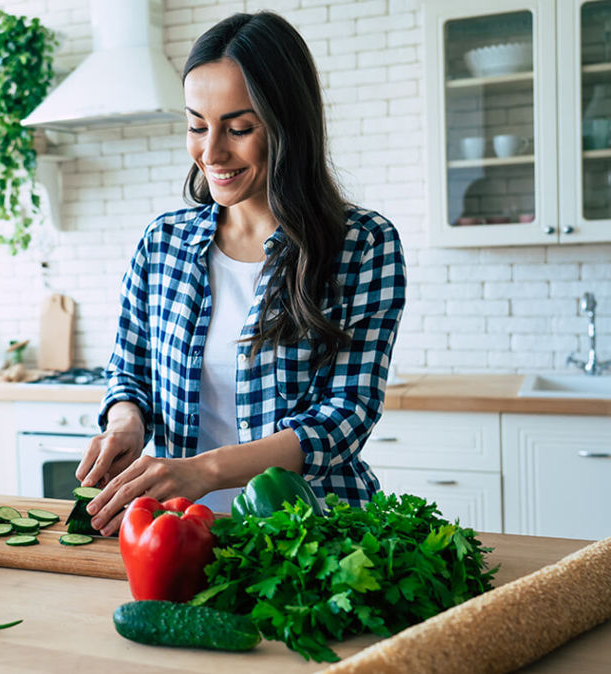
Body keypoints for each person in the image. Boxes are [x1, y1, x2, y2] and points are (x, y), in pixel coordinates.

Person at [75, 11, 407, 536]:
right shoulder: (163, 243)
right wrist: (126, 423)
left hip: (315, 536)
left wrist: (203, 472)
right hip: (180, 534)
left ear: (286, 124)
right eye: (196, 126)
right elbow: (129, 372)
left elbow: (346, 416)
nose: (211, 153)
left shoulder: (361, 245)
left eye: (239, 128)